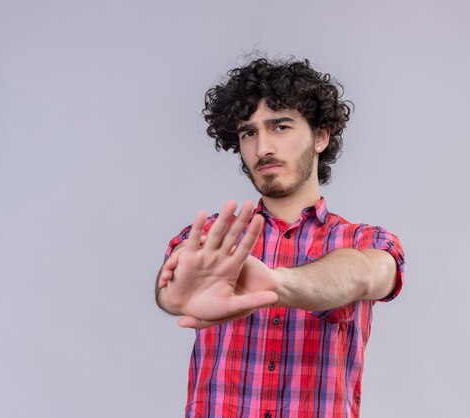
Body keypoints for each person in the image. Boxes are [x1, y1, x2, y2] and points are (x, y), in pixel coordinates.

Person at [155, 57, 405, 418]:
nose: (262, 148)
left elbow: (365, 272)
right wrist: (173, 294)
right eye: (248, 133)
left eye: (280, 127)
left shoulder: (367, 241)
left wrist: (276, 282)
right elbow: (173, 284)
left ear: (320, 136)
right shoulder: (212, 237)